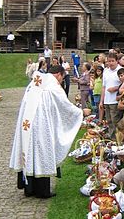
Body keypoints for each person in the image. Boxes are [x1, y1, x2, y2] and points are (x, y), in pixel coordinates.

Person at [10, 65, 83, 198]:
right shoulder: (53, 86)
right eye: (62, 78)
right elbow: (65, 107)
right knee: (41, 153)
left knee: (29, 152)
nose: (61, 82)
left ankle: (29, 188)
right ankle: (42, 191)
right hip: (41, 128)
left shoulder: (34, 83)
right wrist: (80, 112)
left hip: (26, 125)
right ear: (59, 75)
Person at [99, 52, 122, 140]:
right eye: (109, 61)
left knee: (115, 120)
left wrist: (115, 88)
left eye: (113, 61)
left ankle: (118, 139)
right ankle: (112, 138)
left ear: (117, 61)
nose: (111, 63)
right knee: (109, 120)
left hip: (115, 100)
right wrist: (101, 101)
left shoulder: (120, 70)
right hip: (107, 100)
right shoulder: (106, 71)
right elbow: (104, 87)